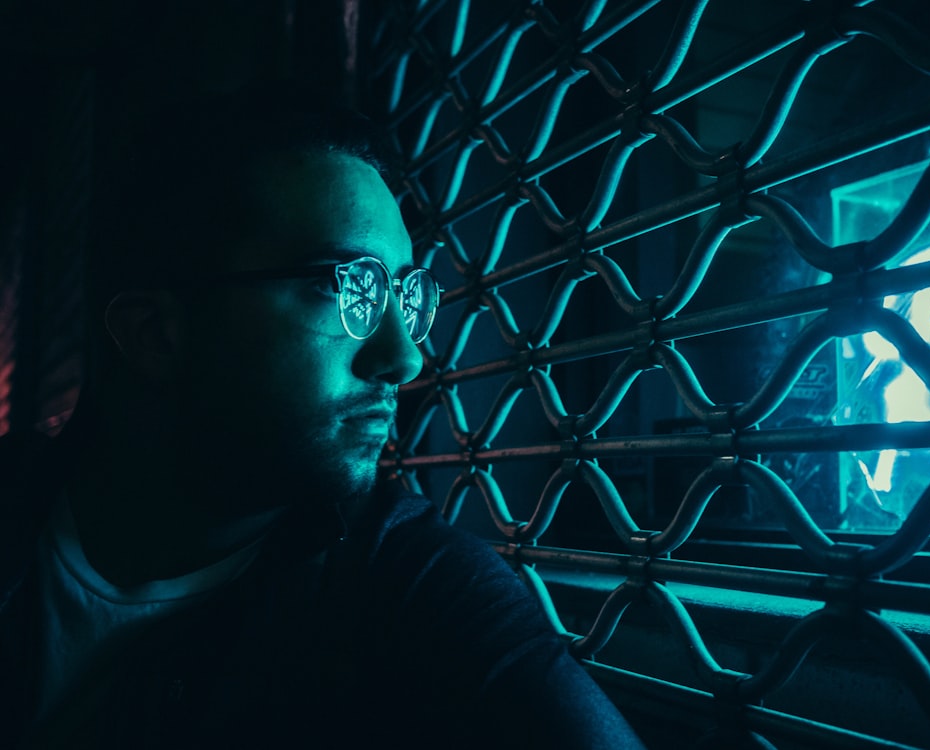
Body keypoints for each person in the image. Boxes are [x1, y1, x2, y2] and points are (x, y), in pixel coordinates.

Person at [0, 84, 648, 748]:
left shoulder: (413, 588)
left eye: (402, 295)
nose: (406, 360)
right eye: (343, 288)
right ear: (156, 335)